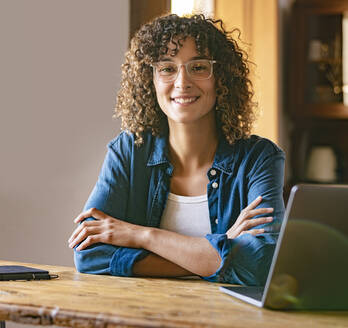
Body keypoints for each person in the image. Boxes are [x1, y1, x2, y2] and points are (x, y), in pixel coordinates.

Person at [68, 14, 285, 286]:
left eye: (198, 67)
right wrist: (220, 250)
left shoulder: (258, 158)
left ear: (222, 79)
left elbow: (260, 263)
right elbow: (89, 255)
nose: (182, 82)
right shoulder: (128, 151)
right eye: (167, 68)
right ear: (151, 80)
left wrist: (140, 236)